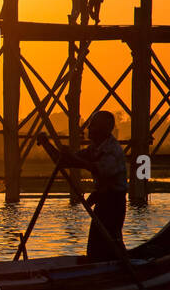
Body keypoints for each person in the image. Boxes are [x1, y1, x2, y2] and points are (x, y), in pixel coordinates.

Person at [35, 110, 128, 261]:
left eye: (93, 126)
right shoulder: (94, 148)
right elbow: (63, 162)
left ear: (105, 129)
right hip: (102, 202)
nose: (89, 129)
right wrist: (46, 144)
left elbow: (95, 168)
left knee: (109, 246)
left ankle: (118, 267)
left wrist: (72, 157)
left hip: (113, 204)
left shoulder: (112, 150)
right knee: (96, 250)